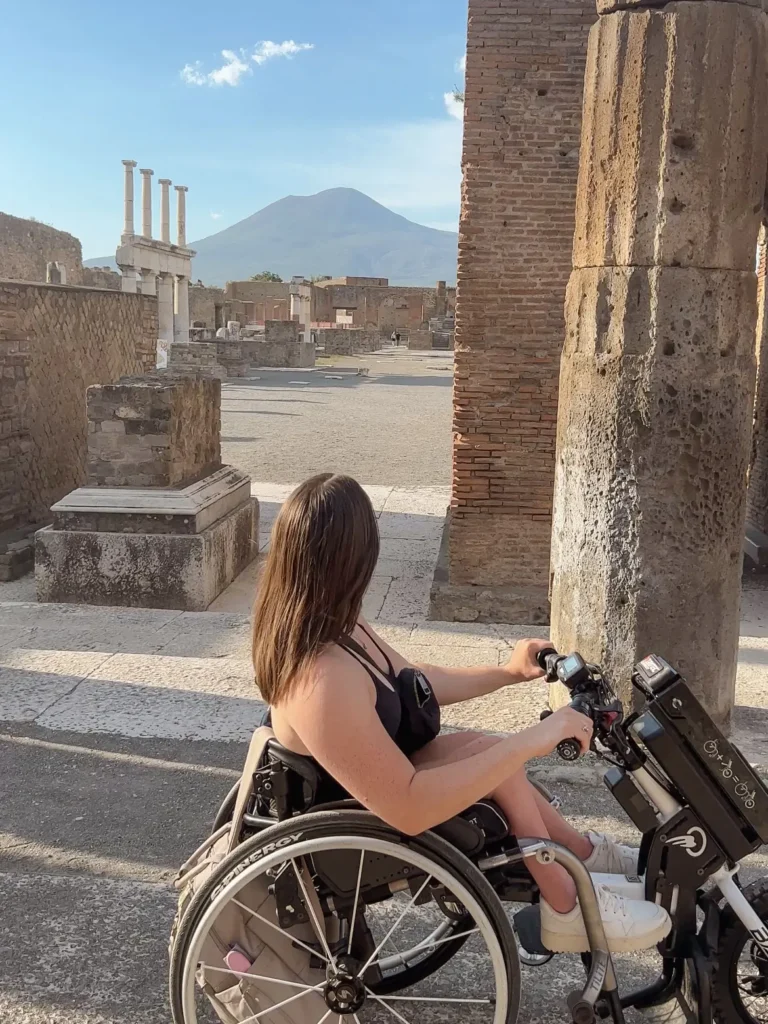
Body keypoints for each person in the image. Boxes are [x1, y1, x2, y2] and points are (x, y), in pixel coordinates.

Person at [252, 473, 671, 954]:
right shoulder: (320, 679)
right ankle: (566, 907)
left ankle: (584, 858)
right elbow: (406, 807)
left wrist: (507, 672)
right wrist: (536, 739)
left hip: (376, 786)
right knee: (504, 758)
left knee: (492, 751)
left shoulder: (337, 625)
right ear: (354, 559)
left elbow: (411, 683)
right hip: (359, 823)